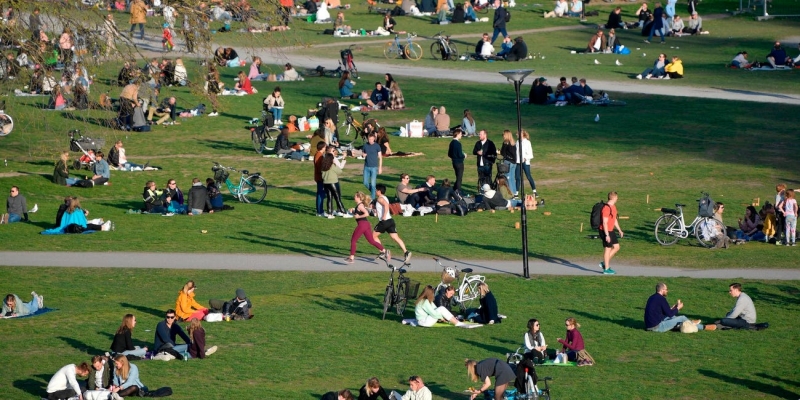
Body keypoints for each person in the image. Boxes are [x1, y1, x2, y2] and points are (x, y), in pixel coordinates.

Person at [373, 184, 411, 264]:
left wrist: (384, 215)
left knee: (373, 236)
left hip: (384, 221)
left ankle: (383, 252)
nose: (375, 191)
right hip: (390, 221)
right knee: (395, 237)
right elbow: (384, 206)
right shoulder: (385, 197)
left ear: (379, 191)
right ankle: (406, 252)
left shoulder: (380, 198)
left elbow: (386, 205)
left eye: (376, 190)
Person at [346, 191, 388, 264]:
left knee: (353, 240)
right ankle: (384, 251)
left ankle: (351, 258)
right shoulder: (359, 205)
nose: (354, 197)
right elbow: (359, 213)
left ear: (358, 197)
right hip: (366, 224)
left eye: (355, 196)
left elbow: (366, 214)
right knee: (371, 241)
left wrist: (358, 216)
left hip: (362, 224)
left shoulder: (360, 206)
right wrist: (353, 211)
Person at [599, 191, 623, 275]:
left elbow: (614, 219)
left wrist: (619, 230)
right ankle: (606, 269)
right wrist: (607, 235)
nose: (617, 199)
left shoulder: (613, 207)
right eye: (616, 197)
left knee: (616, 247)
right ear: (613, 198)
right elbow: (604, 222)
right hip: (605, 230)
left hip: (611, 230)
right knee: (608, 248)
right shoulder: (606, 208)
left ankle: (604, 263)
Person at [322, 151, 350, 218]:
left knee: (329, 198)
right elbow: (340, 171)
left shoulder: (323, 166)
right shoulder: (332, 166)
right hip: (333, 183)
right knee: (337, 198)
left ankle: (330, 214)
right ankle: (344, 212)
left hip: (325, 183)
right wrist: (335, 164)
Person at [362, 133, 383, 199]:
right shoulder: (365, 145)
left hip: (374, 167)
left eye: (371, 139)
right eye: (369, 139)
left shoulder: (377, 146)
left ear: (374, 139)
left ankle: (373, 199)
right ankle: (374, 192)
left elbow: (380, 157)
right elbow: (363, 153)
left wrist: (380, 168)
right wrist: (363, 155)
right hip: (366, 167)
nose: (370, 140)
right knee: (365, 182)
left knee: (373, 184)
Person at [499, 131, 518, 196]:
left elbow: (503, 153)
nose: (503, 136)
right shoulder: (513, 143)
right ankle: (514, 192)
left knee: (508, 178)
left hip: (508, 161)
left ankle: (511, 193)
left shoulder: (505, 143)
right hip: (514, 162)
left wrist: (499, 152)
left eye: (503, 135)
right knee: (512, 178)